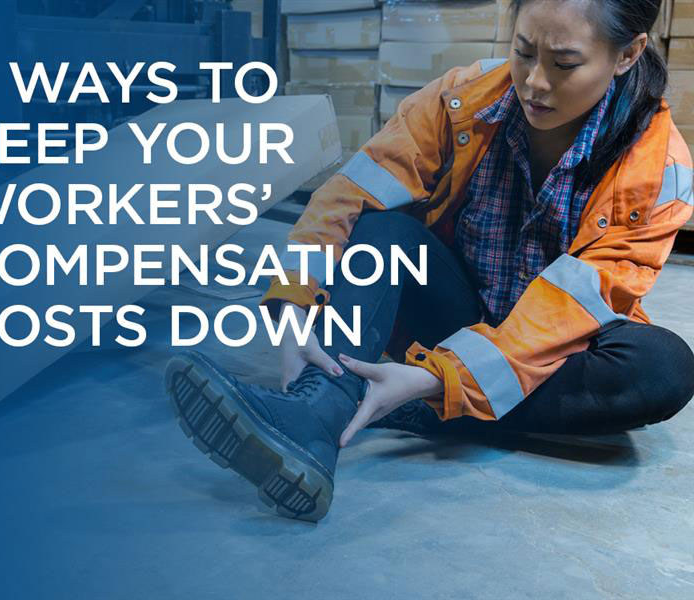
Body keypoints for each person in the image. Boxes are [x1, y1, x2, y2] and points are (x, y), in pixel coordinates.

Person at [165, 0, 694, 522]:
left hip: (552, 347)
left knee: (662, 367)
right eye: (524, 52)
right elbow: (351, 194)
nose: (534, 82)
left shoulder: (656, 168)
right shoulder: (461, 100)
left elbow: (568, 311)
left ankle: (410, 403)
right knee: (386, 229)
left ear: (627, 54)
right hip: (448, 316)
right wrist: (294, 303)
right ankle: (318, 409)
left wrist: (441, 380)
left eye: (564, 64)